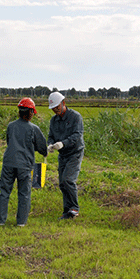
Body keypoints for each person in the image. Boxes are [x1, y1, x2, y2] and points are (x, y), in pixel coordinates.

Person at [0, 98, 47, 227]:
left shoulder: (10, 126)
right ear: (31, 112)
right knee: (24, 193)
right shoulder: (34, 128)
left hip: (9, 162)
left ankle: (0, 221)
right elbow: (42, 148)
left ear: (19, 111)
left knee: (4, 192)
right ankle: (21, 222)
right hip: (24, 165)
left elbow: (9, 141)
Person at [47, 92, 85, 220]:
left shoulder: (75, 117)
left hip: (75, 152)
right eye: (53, 109)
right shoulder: (54, 120)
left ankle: (74, 208)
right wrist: (50, 145)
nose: (55, 110)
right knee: (62, 183)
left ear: (63, 103)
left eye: (57, 107)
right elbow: (51, 136)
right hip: (62, 154)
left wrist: (63, 143)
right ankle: (67, 211)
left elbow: (77, 135)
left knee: (68, 179)